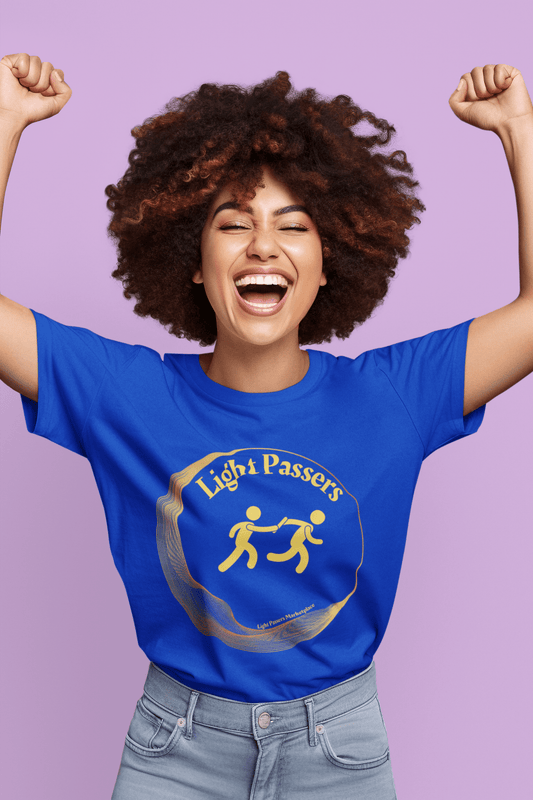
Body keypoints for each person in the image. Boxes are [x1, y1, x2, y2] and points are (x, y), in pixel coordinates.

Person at [1, 53, 532, 800]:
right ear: (193, 261)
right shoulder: (127, 394)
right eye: (232, 224)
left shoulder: (394, 395)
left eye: (293, 226)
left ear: (326, 264)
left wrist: (518, 130)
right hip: (175, 751)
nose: (261, 245)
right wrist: (5, 119)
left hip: (338, 750)